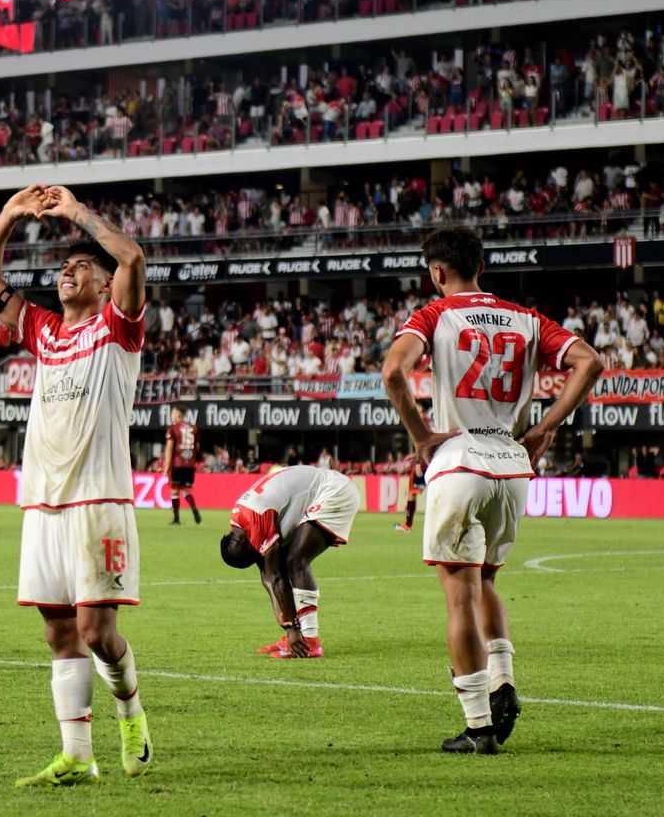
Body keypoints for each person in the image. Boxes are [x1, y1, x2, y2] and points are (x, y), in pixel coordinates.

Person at [382, 227, 603, 754]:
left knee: (459, 597)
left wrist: (421, 438)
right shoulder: (527, 319)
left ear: (437, 272)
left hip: (459, 462)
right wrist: (547, 426)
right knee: (484, 585)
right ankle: (502, 682)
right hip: (511, 466)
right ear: (481, 265)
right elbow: (589, 362)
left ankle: (479, 726)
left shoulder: (433, 316)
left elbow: (393, 371)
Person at [0, 184, 152, 787]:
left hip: (99, 497)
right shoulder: (45, 331)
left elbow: (131, 259)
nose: (67, 270)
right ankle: (78, 755)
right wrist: (8, 216)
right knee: (57, 632)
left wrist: (75, 213)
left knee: (98, 633)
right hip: (43, 503)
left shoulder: (118, 327)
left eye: (81, 267)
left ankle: (130, 709)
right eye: (64, 265)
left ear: (104, 286)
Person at [218, 465, 360, 659]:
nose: (257, 554)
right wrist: (287, 624)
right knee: (284, 562)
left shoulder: (255, 519)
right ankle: (301, 637)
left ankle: (310, 641)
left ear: (242, 542)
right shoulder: (240, 525)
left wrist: (292, 628)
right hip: (321, 490)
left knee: (295, 561)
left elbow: (275, 576)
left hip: (334, 490)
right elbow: (268, 573)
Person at [163, 406, 200, 525]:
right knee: (185, 490)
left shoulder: (173, 428)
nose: (171, 415)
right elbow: (197, 447)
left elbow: (169, 449)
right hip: (190, 464)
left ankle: (176, 519)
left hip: (177, 464)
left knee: (174, 490)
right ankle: (193, 507)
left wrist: (167, 466)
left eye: (173, 413)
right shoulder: (194, 428)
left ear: (178, 415)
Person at [395, 457, 425, 533]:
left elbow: (421, 449)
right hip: (423, 464)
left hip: (421, 466)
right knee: (412, 494)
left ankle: (408, 525)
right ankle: (408, 524)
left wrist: (417, 459)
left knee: (412, 494)